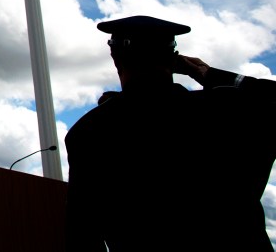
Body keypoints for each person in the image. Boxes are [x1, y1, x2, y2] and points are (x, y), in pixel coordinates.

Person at [64, 15, 276, 251]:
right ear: (174, 59)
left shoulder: (89, 132)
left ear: (115, 58)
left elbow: (82, 234)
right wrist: (208, 73)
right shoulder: (231, 111)